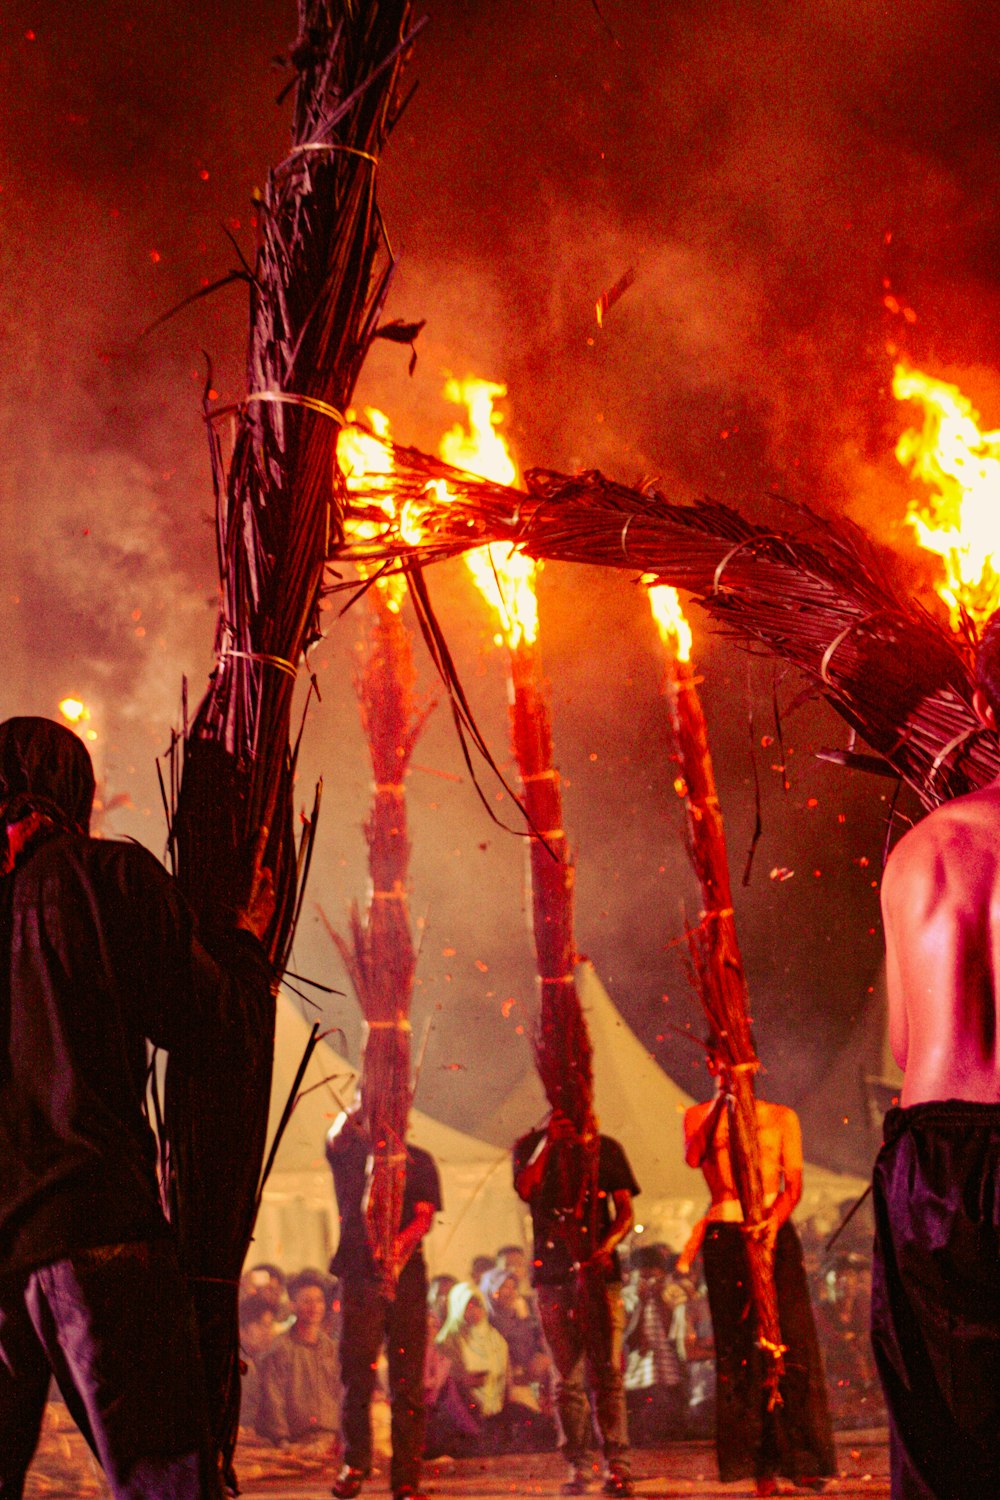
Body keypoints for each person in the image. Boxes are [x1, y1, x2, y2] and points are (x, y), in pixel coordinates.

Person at [0, 715, 274, 1500]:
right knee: (166, 1483)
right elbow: (214, 1027)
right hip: (96, 1234)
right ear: (73, 794)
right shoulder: (104, 877)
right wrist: (246, 946)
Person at [871, 610, 1000, 1499]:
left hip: (929, 1162)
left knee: (943, 1443)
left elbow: (902, 1043)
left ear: (985, 702)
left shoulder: (918, 850)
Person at [683, 1049, 835, 1496]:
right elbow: (694, 1158)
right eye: (719, 1063)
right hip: (726, 1233)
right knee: (740, 1346)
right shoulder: (697, 1115)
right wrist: (720, 1101)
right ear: (711, 1066)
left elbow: (793, 1183)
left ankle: (803, 1458)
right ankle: (757, 1463)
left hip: (773, 1233)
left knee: (790, 1338)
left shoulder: (782, 1116)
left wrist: (773, 1221)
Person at [513, 1109, 639, 1498]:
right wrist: (549, 1143)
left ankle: (618, 1463)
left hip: (600, 1277)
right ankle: (577, 1464)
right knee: (566, 1380)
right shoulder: (529, 1146)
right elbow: (527, 1189)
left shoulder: (606, 1149)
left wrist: (605, 1247)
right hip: (552, 1278)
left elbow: (625, 1212)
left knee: (607, 1374)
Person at [326, 1105, 442, 1500]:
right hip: (360, 1279)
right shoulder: (352, 1154)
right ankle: (354, 1463)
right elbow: (335, 1137)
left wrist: (396, 1248)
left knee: (407, 1381)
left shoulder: (420, 1160)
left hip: (407, 1282)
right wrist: (365, 1102)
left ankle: (406, 1479)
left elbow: (424, 1217)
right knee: (356, 1373)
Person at [255, 1269, 340, 1449]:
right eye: (307, 1301)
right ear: (292, 1305)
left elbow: (341, 1395)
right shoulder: (280, 1350)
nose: (315, 1307)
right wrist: (282, 1441)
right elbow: (273, 1399)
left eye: (319, 1301)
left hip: (331, 1441)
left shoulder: (332, 1350)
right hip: (296, 1444)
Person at [622, 1245, 687, 1445]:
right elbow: (629, 1338)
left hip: (668, 1366)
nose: (649, 1283)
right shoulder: (627, 1295)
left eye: (655, 1277)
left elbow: (675, 1334)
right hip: (639, 1369)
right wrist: (641, 1303)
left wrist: (660, 1299)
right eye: (644, 1278)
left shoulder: (673, 1292)